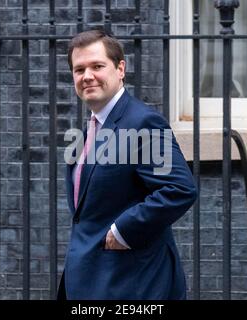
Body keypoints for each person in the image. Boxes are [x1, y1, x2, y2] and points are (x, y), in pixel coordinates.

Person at [57, 29, 197, 300]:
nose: (87, 76)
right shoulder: (91, 130)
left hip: (133, 283)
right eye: (79, 69)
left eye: (97, 66)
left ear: (121, 68)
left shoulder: (142, 122)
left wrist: (122, 231)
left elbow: (179, 188)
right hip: (91, 280)